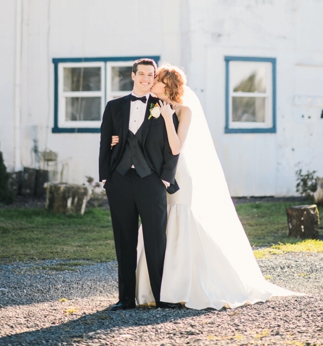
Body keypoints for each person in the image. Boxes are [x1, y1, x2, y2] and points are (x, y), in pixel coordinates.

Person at [131, 65, 299, 309]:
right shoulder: (151, 108)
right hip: (157, 175)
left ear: (166, 85)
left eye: (156, 79)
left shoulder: (183, 111)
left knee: (180, 220)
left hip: (181, 174)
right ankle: (154, 287)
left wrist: (168, 118)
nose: (151, 82)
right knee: (158, 223)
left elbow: (176, 146)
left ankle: (183, 286)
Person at [99, 58, 180, 311]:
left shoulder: (164, 107)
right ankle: (125, 299)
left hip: (151, 181)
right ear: (133, 76)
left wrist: (165, 178)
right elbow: (105, 141)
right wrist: (105, 177)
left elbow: (172, 148)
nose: (146, 78)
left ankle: (162, 296)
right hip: (119, 180)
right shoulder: (114, 106)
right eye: (141, 74)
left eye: (150, 75)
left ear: (154, 78)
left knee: (156, 239)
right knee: (124, 239)